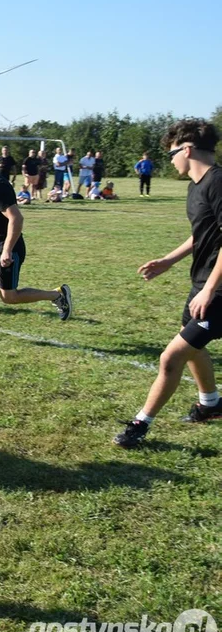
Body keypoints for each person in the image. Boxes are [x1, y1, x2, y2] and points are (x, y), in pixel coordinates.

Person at [115, 120, 222, 449]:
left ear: (187, 150)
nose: (171, 160)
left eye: (172, 153)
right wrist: (168, 260)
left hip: (217, 290)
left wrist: (210, 290)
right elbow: (202, 234)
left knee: (171, 357)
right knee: (194, 347)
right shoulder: (196, 185)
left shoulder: (218, 182)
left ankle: (140, 423)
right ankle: (211, 403)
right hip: (202, 283)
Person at [0, 147, 72, 340]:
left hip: (6, 247)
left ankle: (56, 295)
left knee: (9, 297)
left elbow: (16, 218)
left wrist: (7, 250)